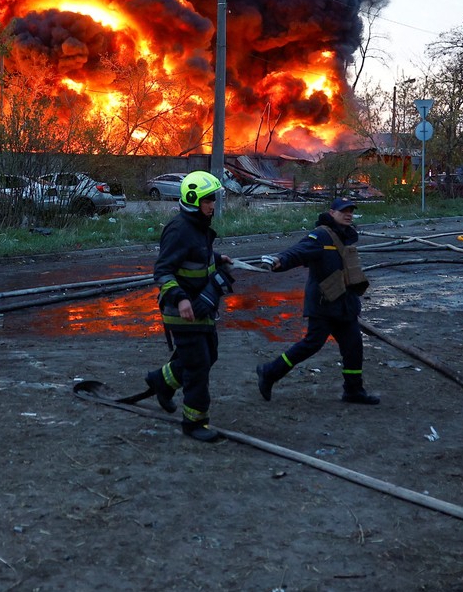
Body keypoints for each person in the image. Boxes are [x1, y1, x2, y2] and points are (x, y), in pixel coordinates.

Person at [255, 198, 379, 405]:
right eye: (343, 211)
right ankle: (269, 372)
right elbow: (299, 251)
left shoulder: (346, 236)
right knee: (311, 344)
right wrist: (279, 260)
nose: (348, 214)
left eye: (350, 211)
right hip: (324, 304)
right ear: (332, 213)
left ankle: (353, 391)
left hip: (344, 304)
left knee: (354, 345)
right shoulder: (320, 235)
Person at [145, 170, 235, 442]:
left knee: (210, 355)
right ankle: (195, 422)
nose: (213, 205)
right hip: (181, 310)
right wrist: (181, 298)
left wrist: (217, 258)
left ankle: (161, 381)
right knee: (197, 364)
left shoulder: (198, 226)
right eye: (209, 200)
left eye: (214, 200)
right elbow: (162, 271)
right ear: (194, 199)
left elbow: (197, 254)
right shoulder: (179, 229)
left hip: (201, 306)